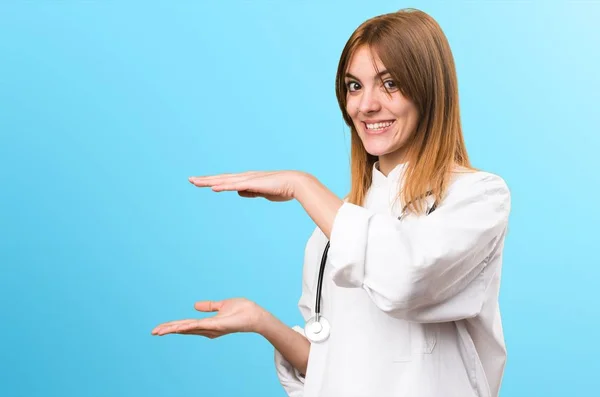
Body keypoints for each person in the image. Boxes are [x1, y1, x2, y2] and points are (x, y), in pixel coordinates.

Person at [151, 8, 511, 397]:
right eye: (354, 86)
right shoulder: (335, 226)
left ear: (429, 90)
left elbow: (405, 280)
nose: (365, 105)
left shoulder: (477, 198)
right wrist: (262, 322)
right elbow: (333, 367)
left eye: (389, 83)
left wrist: (300, 185)